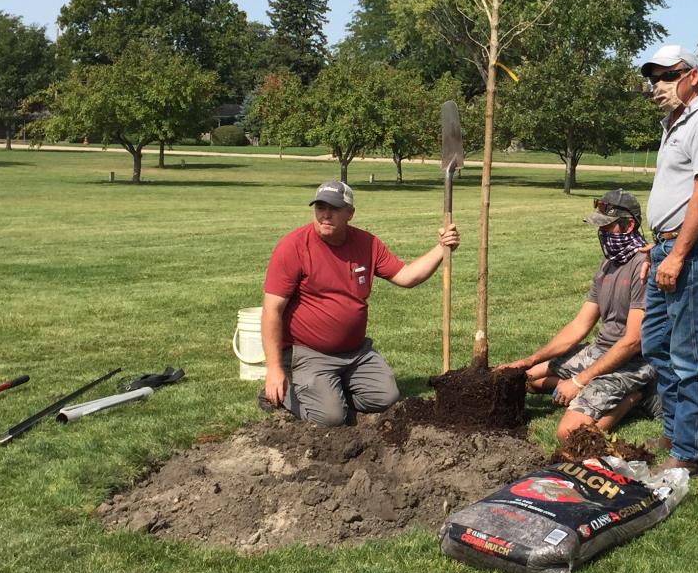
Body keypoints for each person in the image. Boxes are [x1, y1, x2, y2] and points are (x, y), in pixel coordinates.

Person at [260, 180, 458, 425]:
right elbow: (272, 310)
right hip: (311, 352)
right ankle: (284, 390)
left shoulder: (367, 243)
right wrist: (274, 369)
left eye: (334, 208)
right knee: (331, 418)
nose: (326, 215)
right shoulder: (293, 247)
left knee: (387, 398)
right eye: (320, 208)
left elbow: (406, 277)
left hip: (356, 352)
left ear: (350, 213)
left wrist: (442, 248)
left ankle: (330, 390)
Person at [638, 44, 698, 475]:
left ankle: (689, 453)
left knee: (690, 354)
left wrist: (676, 254)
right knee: (654, 343)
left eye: (665, 76)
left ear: (692, 74)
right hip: (666, 247)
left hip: (690, 252)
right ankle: (676, 429)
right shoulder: (673, 124)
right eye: (652, 79)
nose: (657, 85)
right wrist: (656, 245)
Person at [497, 189, 660, 442]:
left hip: (632, 362)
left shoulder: (643, 267)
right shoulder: (608, 264)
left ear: (628, 226)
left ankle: (634, 398)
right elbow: (579, 325)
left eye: (607, 228)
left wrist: (579, 381)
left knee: (570, 434)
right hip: (601, 350)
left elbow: (633, 341)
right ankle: (583, 388)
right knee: (524, 381)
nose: (602, 234)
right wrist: (530, 360)